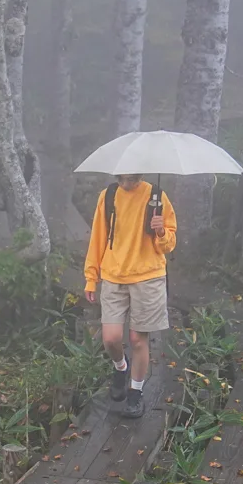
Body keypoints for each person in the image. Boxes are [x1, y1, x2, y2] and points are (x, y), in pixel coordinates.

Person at [83, 173, 176, 418]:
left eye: (131, 178)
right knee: (111, 339)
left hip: (148, 276)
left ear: (140, 174)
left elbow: (169, 245)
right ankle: (120, 366)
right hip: (113, 275)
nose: (126, 183)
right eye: (122, 178)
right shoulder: (109, 196)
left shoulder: (157, 197)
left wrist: (161, 232)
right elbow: (97, 238)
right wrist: (91, 277)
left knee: (137, 339)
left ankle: (135, 393)